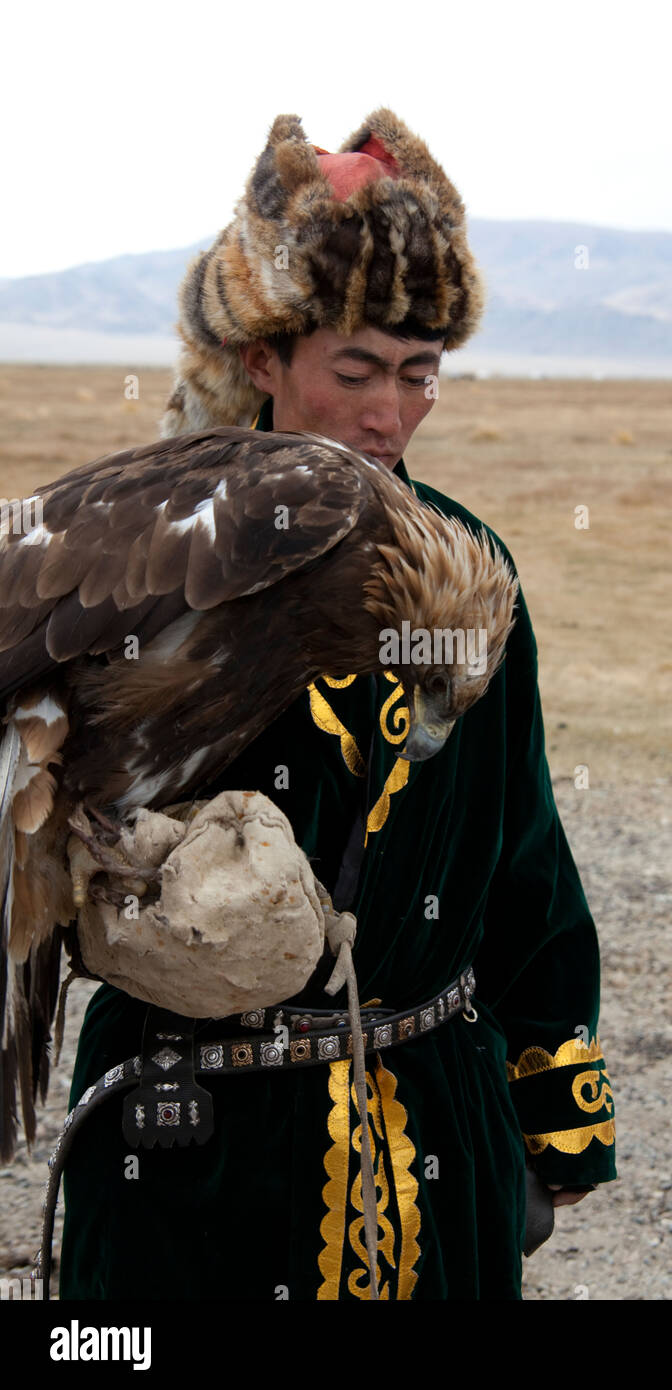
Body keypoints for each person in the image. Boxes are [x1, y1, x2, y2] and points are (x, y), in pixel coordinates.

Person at [59, 107, 616, 1301]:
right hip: (189, 1137)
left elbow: (523, 851)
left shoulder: (472, 560)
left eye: (419, 376)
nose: (389, 414)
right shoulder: (150, 558)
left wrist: (552, 1106)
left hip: (429, 1128)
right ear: (263, 362)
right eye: (354, 371)